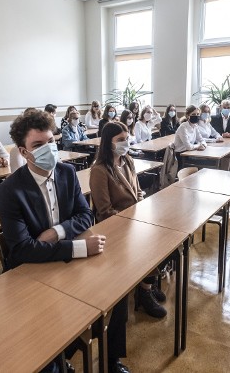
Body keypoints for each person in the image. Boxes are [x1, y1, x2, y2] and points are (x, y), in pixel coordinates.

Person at [0, 112, 127, 373]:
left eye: (50, 141)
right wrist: (79, 247)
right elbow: (23, 249)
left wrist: (56, 232)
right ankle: (58, 360)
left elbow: (85, 215)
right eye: (38, 145)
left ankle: (112, 361)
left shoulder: (67, 172)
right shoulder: (9, 190)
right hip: (32, 272)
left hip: (63, 260)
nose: (48, 149)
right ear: (23, 152)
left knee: (118, 290)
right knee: (47, 328)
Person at [90, 122, 167, 319]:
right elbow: (104, 211)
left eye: (126, 138)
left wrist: (141, 209)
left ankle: (147, 283)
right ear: (108, 143)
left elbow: (137, 190)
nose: (126, 143)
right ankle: (145, 291)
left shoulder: (128, 160)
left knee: (164, 237)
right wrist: (132, 221)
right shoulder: (100, 170)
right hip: (115, 226)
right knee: (148, 244)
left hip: (135, 218)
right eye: (120, 140)